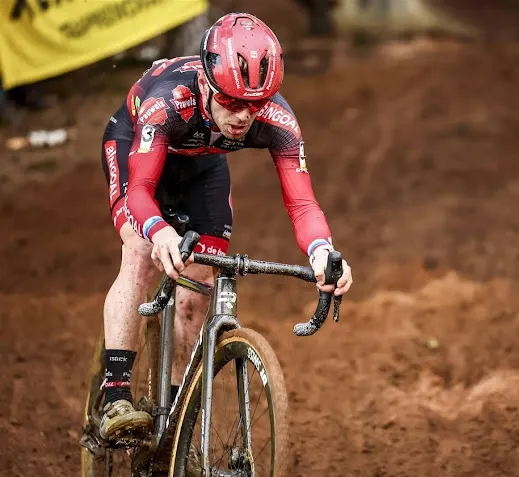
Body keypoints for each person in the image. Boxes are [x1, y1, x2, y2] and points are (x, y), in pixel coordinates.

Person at [98, 12, 353, 441]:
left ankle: (175, 426)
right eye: (232, 102)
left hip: (203, 168)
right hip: (136, 149)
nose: (243, 117)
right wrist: (159, 232)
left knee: (199, 284)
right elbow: (141, 189)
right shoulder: (168, 101)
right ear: (207, 84)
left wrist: (322, 251)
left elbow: (303, 201)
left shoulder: (275, 118)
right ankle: (115, 396)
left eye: (255, 105)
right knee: (141, 254)